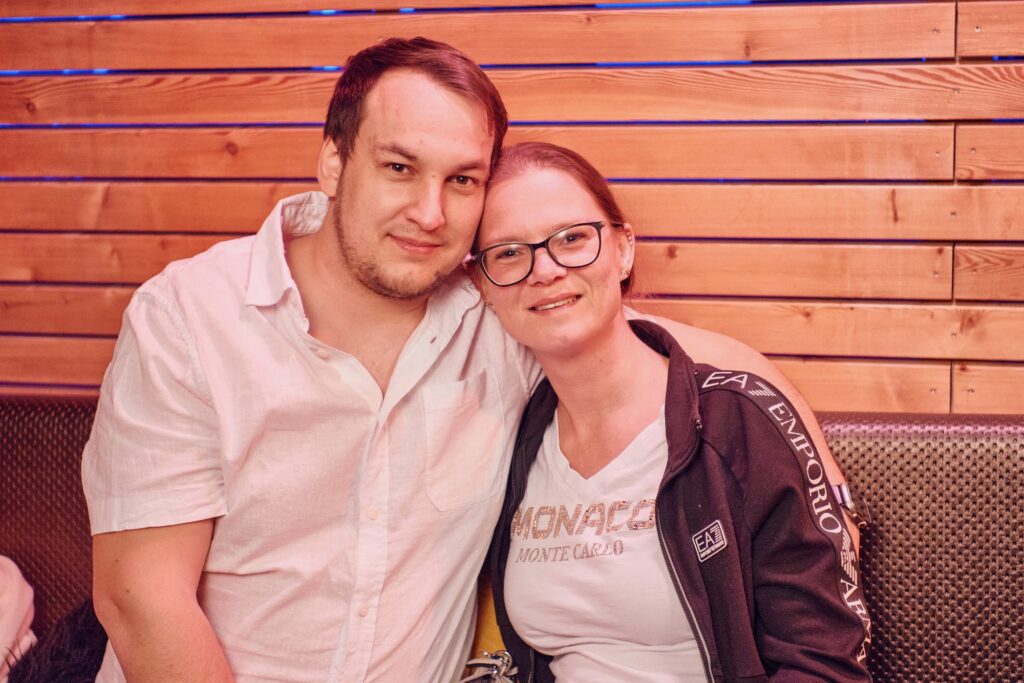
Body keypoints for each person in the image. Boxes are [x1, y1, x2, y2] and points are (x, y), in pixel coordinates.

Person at [83, 37, 857, 682]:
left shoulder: (496, 310)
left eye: (461, 181)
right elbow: (142, 600)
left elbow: (676, 350)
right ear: (333, 162)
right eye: (399, 168)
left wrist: (825, 495)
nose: (430, 213)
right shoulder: (190, 316)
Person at [475, 142, 871, 682]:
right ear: (483, 285)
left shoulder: (734, 423)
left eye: (572, 239)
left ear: (623, 250)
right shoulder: (517, 440)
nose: (544, 269)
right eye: (508, 253)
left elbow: (824, 664)